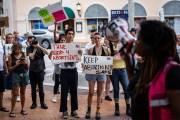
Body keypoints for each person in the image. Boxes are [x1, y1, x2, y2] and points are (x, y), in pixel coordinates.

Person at [128, 20, 180, 120]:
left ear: (150, 44)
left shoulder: (172, 72)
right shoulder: (148, 66)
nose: (135, 42)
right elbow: (135, 87)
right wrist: (127, 60)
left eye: (139, 39)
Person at [84, 32, 110, 119]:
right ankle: (88, 110)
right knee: (91, 92)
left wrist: (110, 65)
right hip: (92, 73)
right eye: (95, 38)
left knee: (99, 92)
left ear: (101, 39)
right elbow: (86, 61)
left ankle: (98, 112)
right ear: (93, 39)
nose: (97, 40)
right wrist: (84, 65)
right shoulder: (90, 50)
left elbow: (109, 60)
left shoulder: (106, 49)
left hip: (101, 73)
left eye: (98, 38)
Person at [59, 28, 82, 119]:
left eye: (72, 33)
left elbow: (77, 59)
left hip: (73, 71)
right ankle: (64, 111)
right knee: (64, 92)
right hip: (64, 71)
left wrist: (80, 53)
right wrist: (52, 54)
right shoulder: (61, 46)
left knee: (74, 91)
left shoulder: (76, 46)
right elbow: (53, 58)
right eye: (69, 33)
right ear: (66, 35)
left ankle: (74, 110)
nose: (71, 35)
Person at [108, 40, 131, 116]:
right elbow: (107, 58)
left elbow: (128, 55)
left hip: (123, 70)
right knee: (116, 89)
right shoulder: (109, 46)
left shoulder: (123, 45)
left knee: (126, 88)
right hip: (113, 70)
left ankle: (128, 107)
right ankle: (117, 108)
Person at [26, 38, 49, 110]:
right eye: (31, 41)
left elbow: (47, 52)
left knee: (41, 88)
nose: (32, 42)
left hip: (40, 70)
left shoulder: (40, 46)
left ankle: (42, 103)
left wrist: (38, 46)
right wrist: (35, 48)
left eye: (33, 41)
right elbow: (32, 57)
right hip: (32, 70)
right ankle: (34, 103)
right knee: (33, 88)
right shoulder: (28, 48)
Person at [8, 42, 29, 117]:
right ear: (13, 49)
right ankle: (12, 110)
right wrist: (16, 64)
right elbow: (9, 69)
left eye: (19, 49)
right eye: (16, 49)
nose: (18, 51)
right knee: (15, 93)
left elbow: (28, 67)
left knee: (23, 92)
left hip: (24, 74)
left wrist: (25, 63)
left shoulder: (24, 54)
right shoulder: (11, 56)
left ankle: (23, 108)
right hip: (15, 75)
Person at [51, 22, 66, 103]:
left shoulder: (68, 47)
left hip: (65, 68)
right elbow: (54, 35)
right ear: (59, 41)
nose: (63, 41)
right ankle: (54, 96)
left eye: (64, 40)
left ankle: (66, 94)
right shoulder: (57, 47)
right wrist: (55, 26)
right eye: (61, 40)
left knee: (65, 83)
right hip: (57, 68)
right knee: (57, 82)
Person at [0, 37, 9, 113]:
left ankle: (1, 106)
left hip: (1, 70)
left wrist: (6, 69)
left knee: (1, 89)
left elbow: (3, 57)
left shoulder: (0, 42)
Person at [103, 37, 112, 101]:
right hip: (103, 65)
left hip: (109, 65)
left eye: (107, 39)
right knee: (102, 81)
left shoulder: (111, 47)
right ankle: (100, 94)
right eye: (105, 39)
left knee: (108, 80)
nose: (106, 40)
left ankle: (107, 94)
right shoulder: (102, 47)